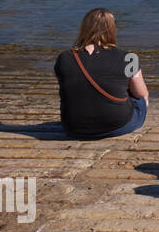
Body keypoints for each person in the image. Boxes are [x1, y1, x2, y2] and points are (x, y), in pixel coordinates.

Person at [53, 7, 149, 139]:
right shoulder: (129, 58)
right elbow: (141, 94)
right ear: (111, 29)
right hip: (117, 125)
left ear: (84, 28)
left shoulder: (64, 57)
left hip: (73, 126)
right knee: (140, 99)